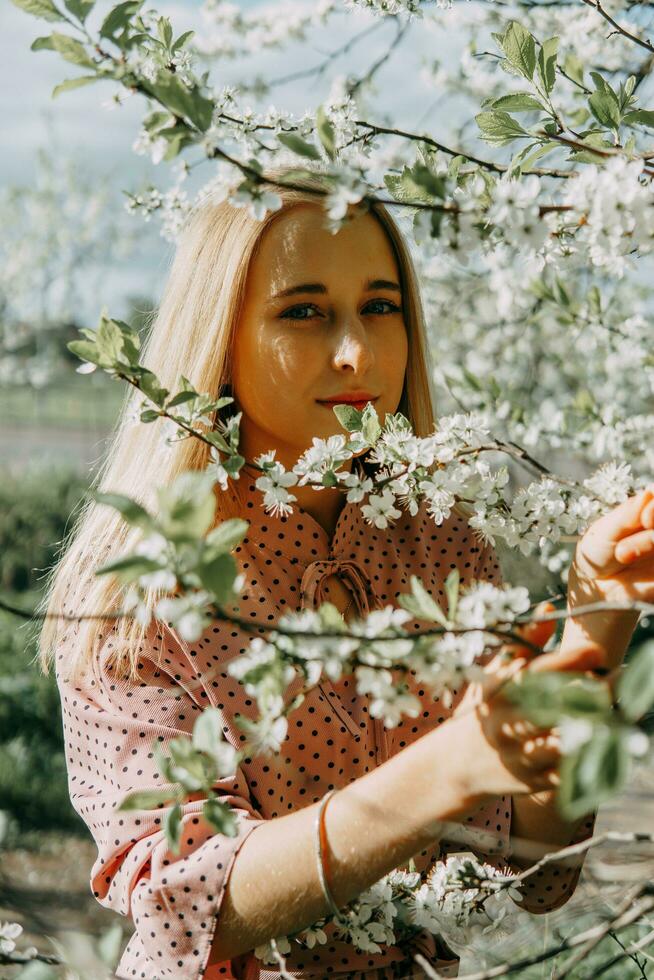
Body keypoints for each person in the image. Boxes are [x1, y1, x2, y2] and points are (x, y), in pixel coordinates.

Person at [40, 165, 651, 980]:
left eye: (380, 306)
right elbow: (181, 904)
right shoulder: (140, 589)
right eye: (304, 312)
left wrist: (597, 613)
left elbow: (531, 869)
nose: (358, 350)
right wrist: (448, 769)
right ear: (220, 331)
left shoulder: (438, 544)